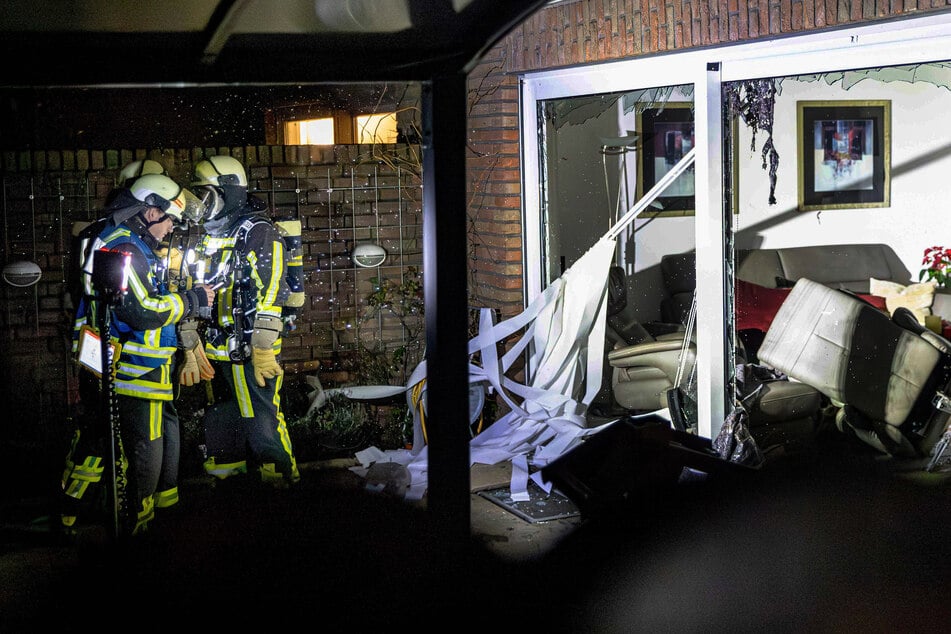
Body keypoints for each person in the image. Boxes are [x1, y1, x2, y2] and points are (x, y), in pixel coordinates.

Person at [63, 173, 213, 536]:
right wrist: (194, 300)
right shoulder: (125, 248)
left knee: (100, 439)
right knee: (145, 448)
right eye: (169, 220)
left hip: (106, 360)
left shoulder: (116, 239)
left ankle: (69, 511)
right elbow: (141, 311)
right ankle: (137, 526)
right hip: (134, 368)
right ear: (149, 211)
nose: (170, 229)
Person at [190, 155, 300, 488]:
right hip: (215, 350)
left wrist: (263, 346)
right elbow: (197, 289)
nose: (202, 205)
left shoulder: (258, 232)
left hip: (253, 352)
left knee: (262, 425)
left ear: (228, 192)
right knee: (222, 427)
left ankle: (282, 490)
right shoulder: (208, 236)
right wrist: (191, 337)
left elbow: (271, 293)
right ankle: (230, 498)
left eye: (208, 195)